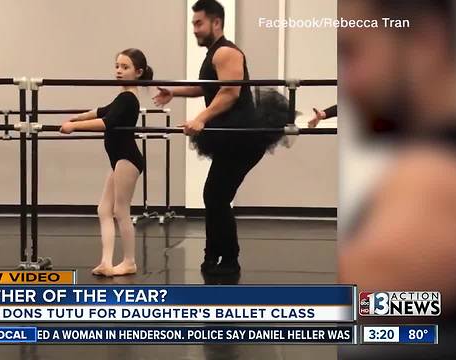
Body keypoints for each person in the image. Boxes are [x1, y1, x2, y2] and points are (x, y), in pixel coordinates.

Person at [338, 0, 456, 358]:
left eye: (351, 51)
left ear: (426, 40)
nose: (347, 83)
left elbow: (358, 304)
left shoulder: (435, 178)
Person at [153, 0, 291, 275]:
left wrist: (201, 118)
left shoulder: (226, 52)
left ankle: (227, 258)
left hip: (242, 137)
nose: (194, 29)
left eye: (198, 23)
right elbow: (207, 87)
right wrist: (174, 92)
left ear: (216, 23)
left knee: (215, 196)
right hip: (232, 135)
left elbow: (229, 93)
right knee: (215, 196)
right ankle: (216, 254)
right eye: (193, 23)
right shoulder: (214, 53)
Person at [60, 48, 152, 277]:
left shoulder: (129, 98)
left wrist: (74, 127)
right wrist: (77, 117)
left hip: (127, 159)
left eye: (125, 67)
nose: (119, 71)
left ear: (138, 72)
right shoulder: (123, 97)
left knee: (121, 211)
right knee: (104, 209)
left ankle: (129, 261)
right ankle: (106, 261)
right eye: (117, 66)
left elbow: (106, 122)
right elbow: (101, 111)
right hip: (119, 160)